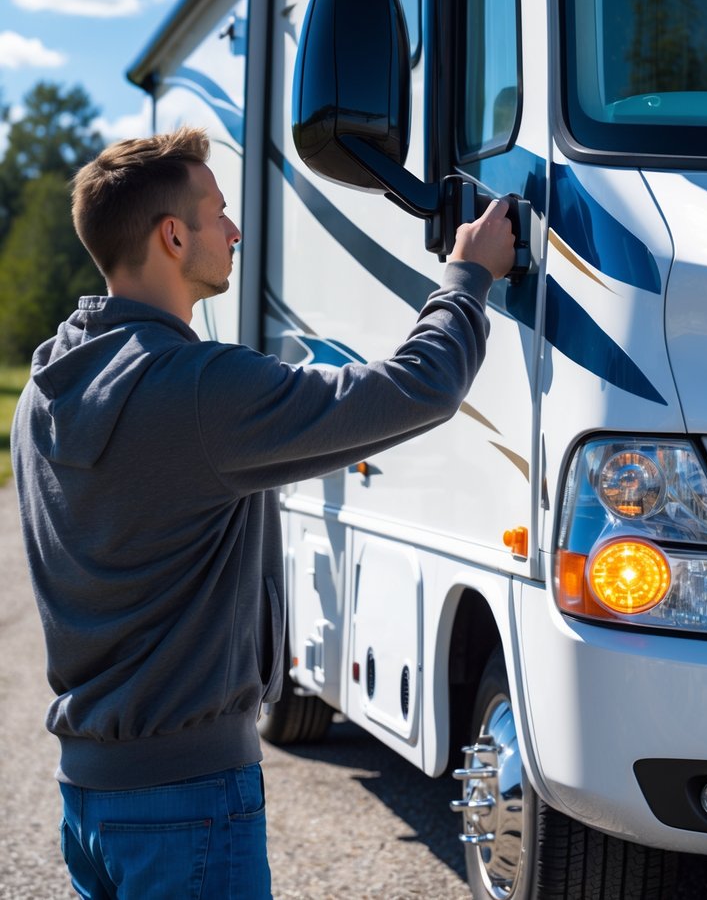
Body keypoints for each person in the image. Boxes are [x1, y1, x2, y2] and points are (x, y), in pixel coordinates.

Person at [11, 126, 515, 900]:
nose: (237, 228)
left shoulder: (46, 385)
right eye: (218, 212)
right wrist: (467, 277)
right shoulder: (201, 390)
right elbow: (418, 387)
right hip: (189, 798)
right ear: (172, 236)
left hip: (87, 797)